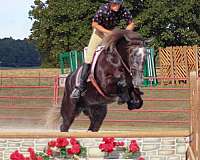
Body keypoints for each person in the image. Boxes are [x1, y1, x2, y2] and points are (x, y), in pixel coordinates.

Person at [70, 0, 135, 99]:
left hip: (113, 32)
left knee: (120, 53)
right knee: (89, 57)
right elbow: (94, 24)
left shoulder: (123, 10)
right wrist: (107, 32)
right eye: (115, 4)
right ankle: (80, 87)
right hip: (99, 33)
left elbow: (131, 23)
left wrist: (124, 32)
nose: (117, 6)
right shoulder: (103, 9)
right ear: (110, 3)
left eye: (118, 4)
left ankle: (124, 82)